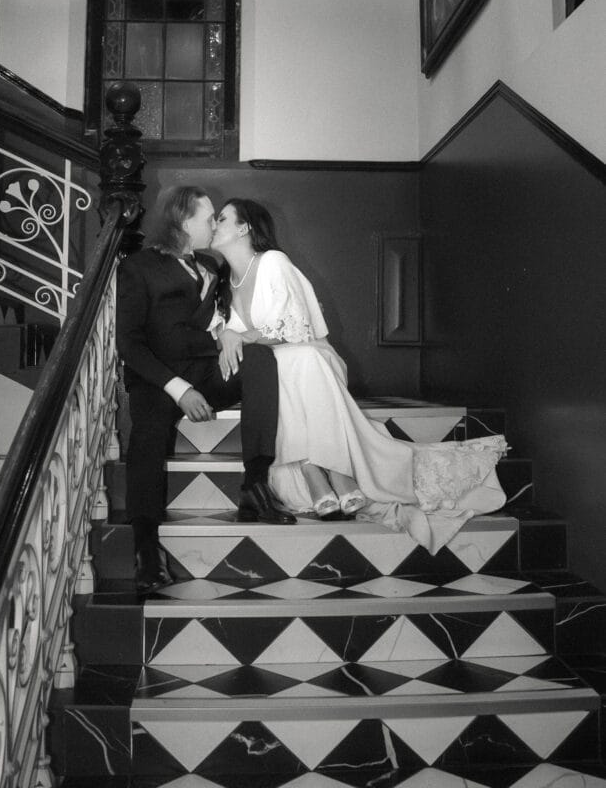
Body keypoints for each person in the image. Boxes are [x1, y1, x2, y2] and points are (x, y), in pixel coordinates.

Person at [210, 197, 509, 554]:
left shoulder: (273, 262)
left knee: (299, 359)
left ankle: (325, 470)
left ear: (244, 227)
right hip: (279, 370)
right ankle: (322, 469)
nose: (215, 224)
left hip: (311, 355)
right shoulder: (226, 280)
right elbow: (229, 339)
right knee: (277, 368)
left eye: (222, 218)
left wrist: (239, 336)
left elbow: (293, 326)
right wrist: (226, 333)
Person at [117, 186, 295, 597]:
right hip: (157, 381)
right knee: (145, 438)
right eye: (208, 216)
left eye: (218, 218)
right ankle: (145, 548)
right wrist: (179, 390)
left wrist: (229, 336)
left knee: (262, 362)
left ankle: (255, 484)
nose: (215, 224)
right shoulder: (139, 267)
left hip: (205, 372)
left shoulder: (211, 266)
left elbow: (219, 321)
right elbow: (129, 343)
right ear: (183, 220)